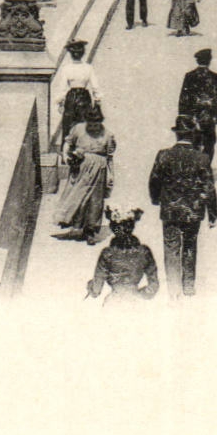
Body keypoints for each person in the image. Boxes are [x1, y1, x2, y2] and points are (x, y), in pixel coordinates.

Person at [148, 116, 217, 298]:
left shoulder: (163, 155)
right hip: (193, 211)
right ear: (192, 135)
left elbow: (154, 180)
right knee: (190, 245)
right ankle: (188, 285)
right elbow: (209, 187)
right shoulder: (202, 158)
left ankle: (173, 289)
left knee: (171, 247)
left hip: (170, 210)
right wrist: (213, 214)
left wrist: (156, 199)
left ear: (176, 134)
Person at [55, 107, 116, 243]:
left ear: (101, 122)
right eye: (90, 124)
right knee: (77, 196)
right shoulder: (78, 129)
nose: (93, 127)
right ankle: (76, 228)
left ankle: (90, 231)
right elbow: (68, 143)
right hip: (80, 167)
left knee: (95, 200)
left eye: (96, 124)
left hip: (99, 170)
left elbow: (110, 157)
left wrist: (111, 174)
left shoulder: (108, 135)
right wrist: (66, 156)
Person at [85, 209, 160, 303]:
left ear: (113, 229)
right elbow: (154, 286)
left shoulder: (107, 254)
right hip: (136, 302)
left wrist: (90, 286)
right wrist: (141, 294)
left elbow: (96, 290)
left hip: (114, 301)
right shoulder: (144, 251)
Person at [177, 48, 217, 159]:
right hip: (210, 117)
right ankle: (206, 166)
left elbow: (183, 97)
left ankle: (195, 165)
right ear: (210, 60)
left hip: (193, 117)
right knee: (209, 144)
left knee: (194, 142)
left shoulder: (190, 76)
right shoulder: (215, 77)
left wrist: (182, 116)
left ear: (197, 61)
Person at [53, 40, 100, 144]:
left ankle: (67, 148)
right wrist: (97, 100)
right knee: (84, 123)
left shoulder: (66, 68)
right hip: (84, 97)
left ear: (70, 54)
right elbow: (95, 86)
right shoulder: (88, 68)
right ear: (83, 53)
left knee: (68, 124)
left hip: (71, 98)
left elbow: (62, 88)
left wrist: (60, 102)